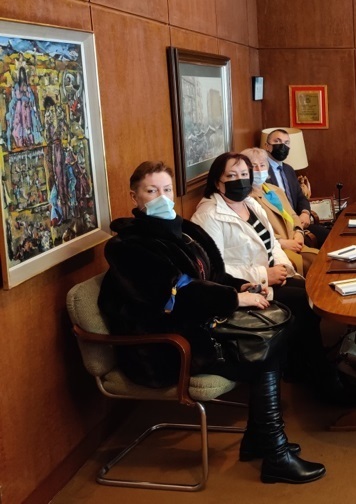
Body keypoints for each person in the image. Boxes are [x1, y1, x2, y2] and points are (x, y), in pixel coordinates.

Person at [98, 161, 325, 485]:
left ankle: (261, 441)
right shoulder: (126, 246)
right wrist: (233, 299)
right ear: (135, 197)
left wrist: (242, 286)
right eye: (151, 191)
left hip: (198, 326)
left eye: (166, 190)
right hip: (161, 345)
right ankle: (273, 452)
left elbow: (214, 273)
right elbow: (175, 294)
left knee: (271, 341)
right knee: (261, 352)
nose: (161, 197)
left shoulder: (183, 231)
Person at [191, 152, 356, 407]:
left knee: (314, 294)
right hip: (245, 288)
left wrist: (282, 267)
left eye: (244, 174)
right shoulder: (208, 215)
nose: (240, 180)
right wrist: (264, 275)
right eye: (232, 175)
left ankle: (303, 367)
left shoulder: (251, 204)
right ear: (217, 182)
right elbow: (215, 268)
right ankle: (324, 380)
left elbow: (272, 244)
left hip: (273, 276)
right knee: (303, 303)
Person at [242, 147, 318, 276]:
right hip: (277, 249)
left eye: (262, 165)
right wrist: (283, 243)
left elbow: (292, 214)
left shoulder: (275, 190)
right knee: (312, 268)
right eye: (254, 166)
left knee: (323, 260)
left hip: (295, 241)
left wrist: (299, 232)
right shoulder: (247, 199)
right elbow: (256, 231)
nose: (259, 170)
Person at [263, 129, 328, 248]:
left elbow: (300, 197)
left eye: (286, 143)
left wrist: (305, 213)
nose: (282, 146)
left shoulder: (289, 170)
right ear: (267, 146)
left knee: (329, 236)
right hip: (279, 228)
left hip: (297, 223)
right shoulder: (261, 171)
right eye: (277, 141)